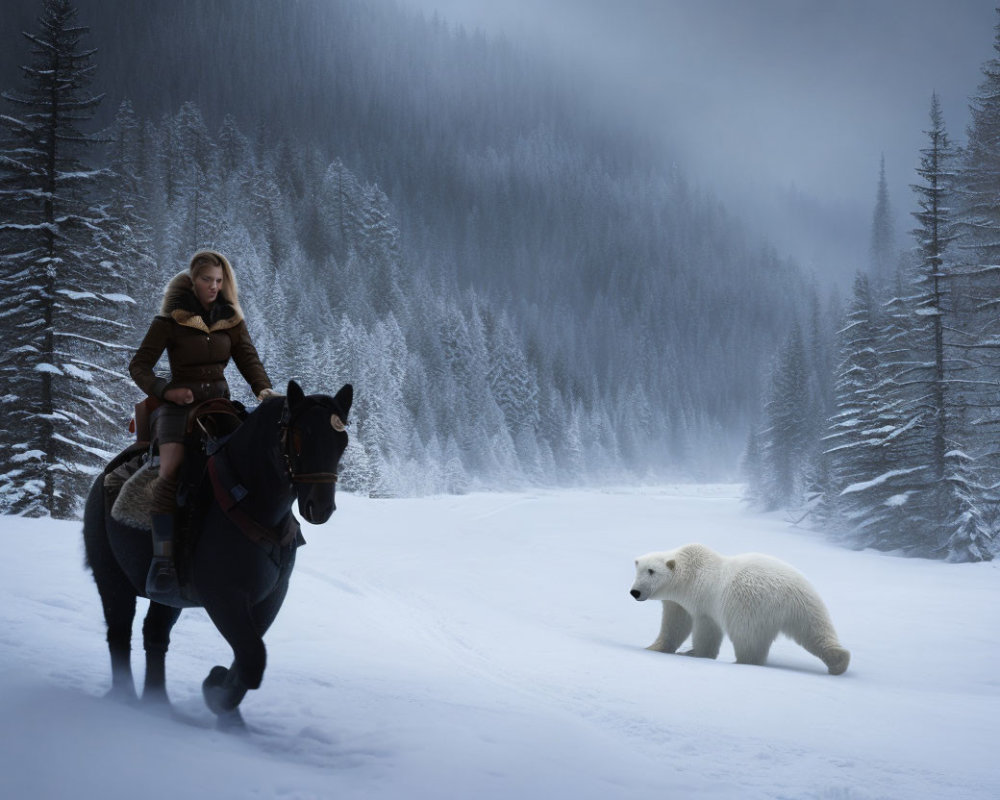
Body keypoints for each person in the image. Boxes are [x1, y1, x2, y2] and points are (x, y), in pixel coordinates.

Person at [129, 250, 277, 600]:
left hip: (220, 406)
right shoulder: (168, 322)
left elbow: (248, 358)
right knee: (171, 472)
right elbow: (139, 366)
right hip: (177, 407)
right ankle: (163, 561)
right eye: (207, 279)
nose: (214, 286)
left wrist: (263, 389)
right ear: (192, 280)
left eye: (219, 280)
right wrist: (166, 390)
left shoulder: (231, 320)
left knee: (252, 462)